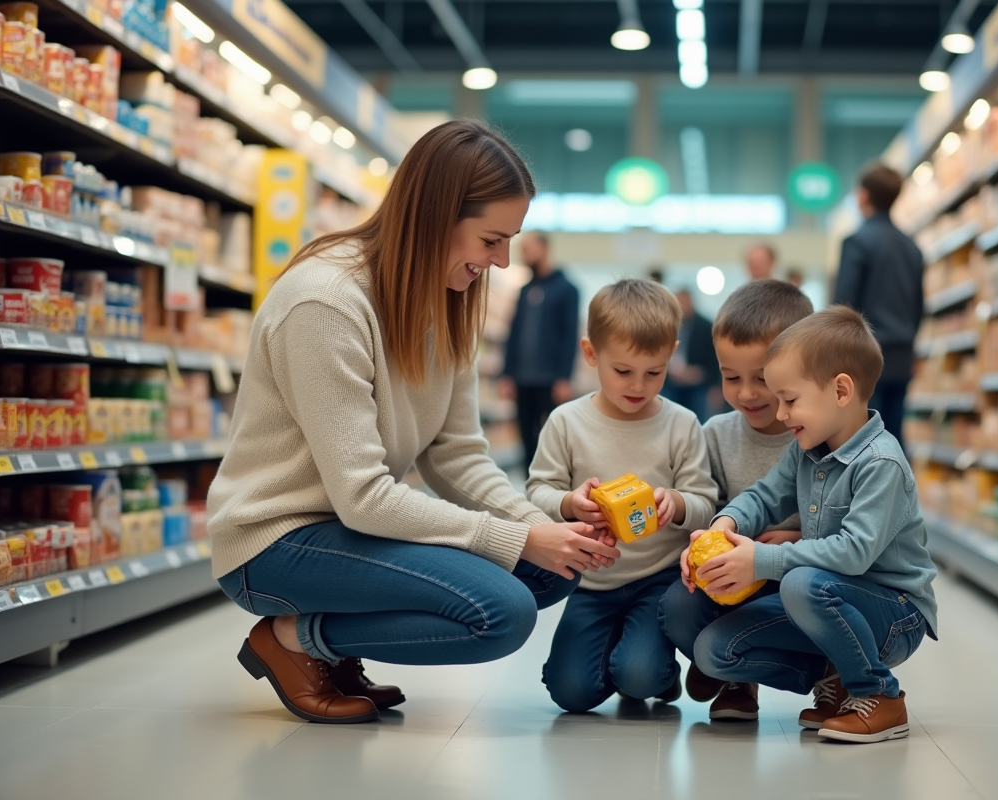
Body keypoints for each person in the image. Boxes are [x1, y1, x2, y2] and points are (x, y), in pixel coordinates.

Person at [206, 120, 620, 725]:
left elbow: (457, 455)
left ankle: (328, 646)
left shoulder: (445, 301)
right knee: (502, 611)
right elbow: (363, 497)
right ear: (436, 217)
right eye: (490, 240)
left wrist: (543, 527)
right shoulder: (326, 302)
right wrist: (521, 536)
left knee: (552, 569)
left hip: (349, 533)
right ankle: (293, 640)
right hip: (277, 541)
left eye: (511, 241)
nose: (502, 261)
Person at [680, 306, 938, 744]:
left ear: (840, 390)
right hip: (824, 603)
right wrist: (723, 526)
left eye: (790, 399)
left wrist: (761, 560)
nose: (781, 414)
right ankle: (834, 678)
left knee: (799, 583)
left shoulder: (881, 464)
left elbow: (853, 553)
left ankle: (879, 695)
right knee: (713, 651)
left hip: (894, 616)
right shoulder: (806, 451)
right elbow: (764, 496)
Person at [526, 279, 719, 713]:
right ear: (591, 353)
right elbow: (536, 491)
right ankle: (623, 652)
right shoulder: (566, 422)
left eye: (654, 372)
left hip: (659, 580)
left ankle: (656, 672)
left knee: (640, 677)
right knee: (570, 693)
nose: (638, 386)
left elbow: (706, 500)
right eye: (623, 371)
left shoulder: (682, 423)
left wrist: (679, 502)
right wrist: (568, 504)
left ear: (671, 352)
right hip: (590, 582)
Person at [659, 279, 813, 722]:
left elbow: (844, 519)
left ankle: (827, 674)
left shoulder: (818, 436)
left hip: (803, 575)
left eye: (762, 379)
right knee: (676, 606)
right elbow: (709, 504)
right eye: (731, 377)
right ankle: (735, 676)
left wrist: (792, 535)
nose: (746, 393)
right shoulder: (716, 435)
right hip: (733, 577)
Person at [832, 162, 925, 451]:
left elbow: (845, 306)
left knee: (863, 435)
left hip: (864, 356)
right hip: (901, 352)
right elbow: (919, 304)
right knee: (894, 432)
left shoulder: (858, 242)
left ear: (863, 196)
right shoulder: (912, 247)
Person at [500, 233, 580, 472]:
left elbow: (569, 335)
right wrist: (507, 373)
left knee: (553, 437)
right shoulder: (524, 290)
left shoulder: (567, 289)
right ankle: (529, 486)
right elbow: (512, 334)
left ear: (544, 248)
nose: (523, 254)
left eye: (528, 249)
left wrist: (564, 377)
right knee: (526, 436)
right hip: (522, 380)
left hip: (551, 380)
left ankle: (554, 484)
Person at [663, 288, 721, 422]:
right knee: (668, 418)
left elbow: (715, 359)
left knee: (697, 419)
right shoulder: (667, 324)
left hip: (698, 383)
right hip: (670, 380)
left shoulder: (706, 326)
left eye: (684, 302)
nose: (682, 307)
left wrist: (699, 374)